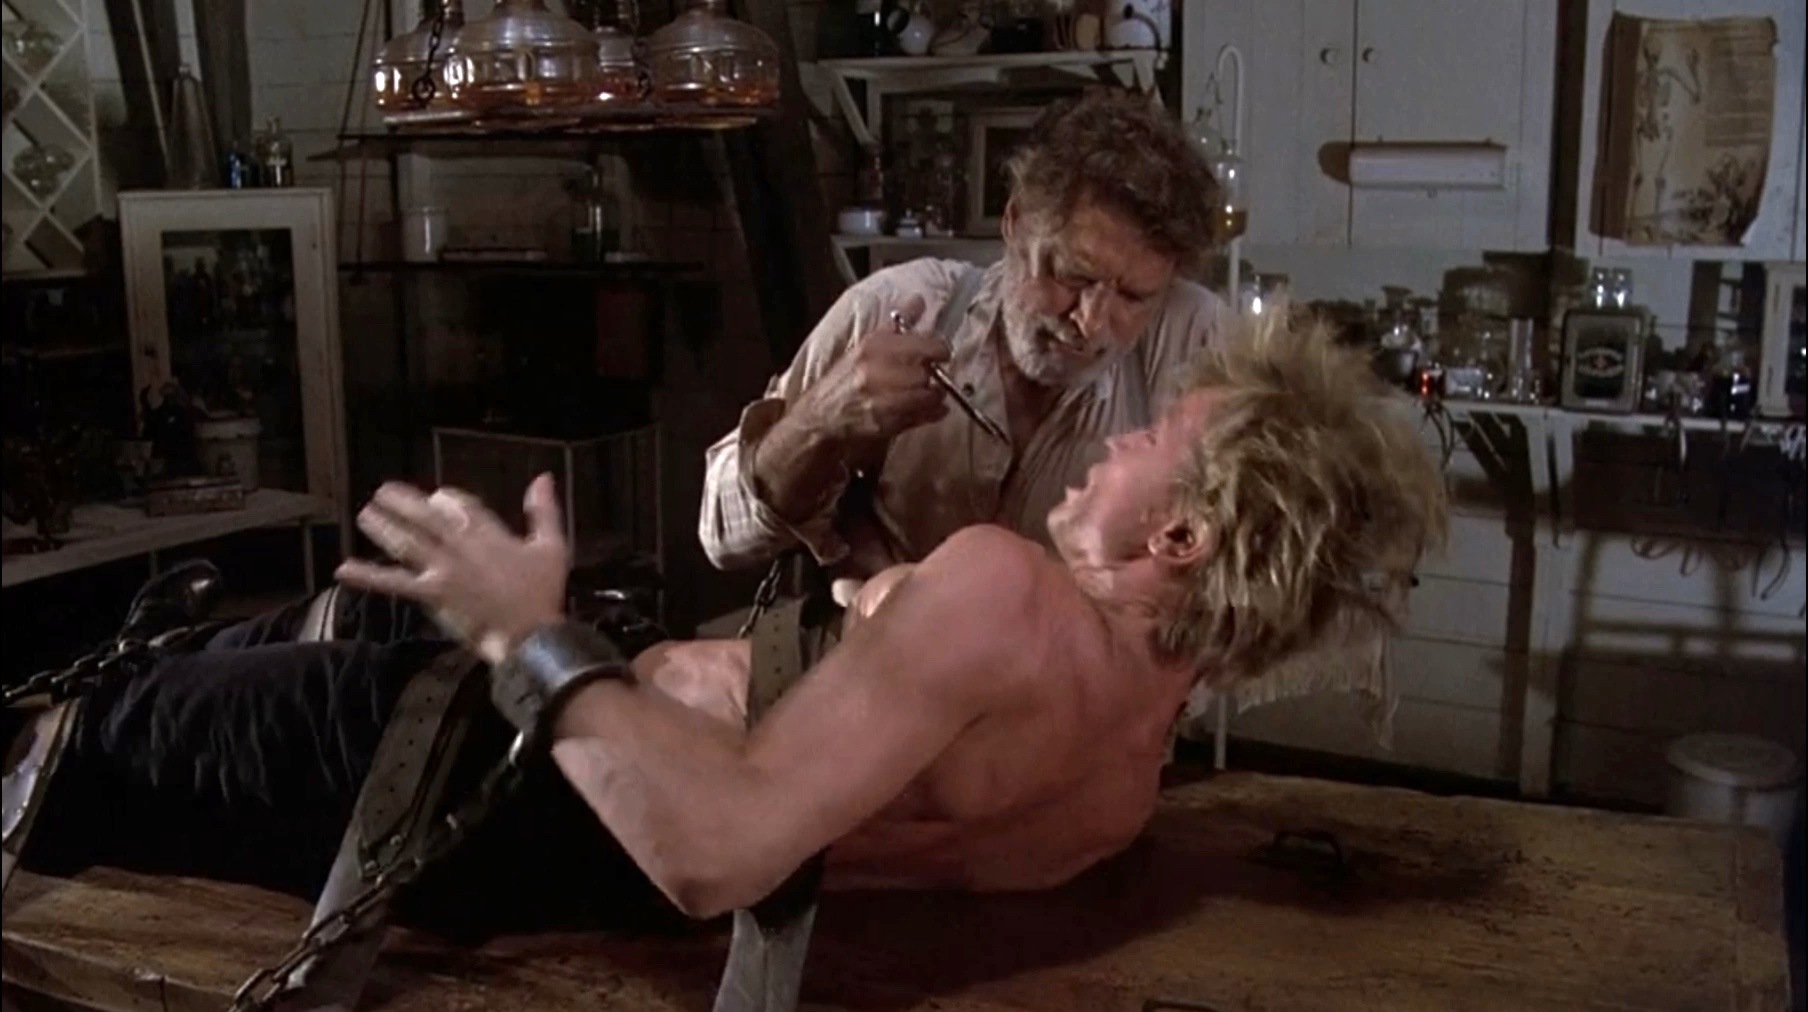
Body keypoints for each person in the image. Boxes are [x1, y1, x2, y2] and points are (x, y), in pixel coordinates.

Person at [19, 308, 1445, 932]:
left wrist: (527, 629)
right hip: (538, 821)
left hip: (494, 779)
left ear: (1182, 538)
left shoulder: (1010, 593)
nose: (1113, 444)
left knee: (79, 744)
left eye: (1146, 443)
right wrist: (866, 604)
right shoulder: (1127, 769)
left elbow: (715, 850)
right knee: (256, 644)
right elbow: (888, 769)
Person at [699, 88, 1227, 586]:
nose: (1091, 323)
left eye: (1133, 296)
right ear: (1015, 221)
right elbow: (720, 533)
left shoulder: (1195, 342)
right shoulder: (901, 307)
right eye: (1073, 275)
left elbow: (1244, 571)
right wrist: (820, 422)